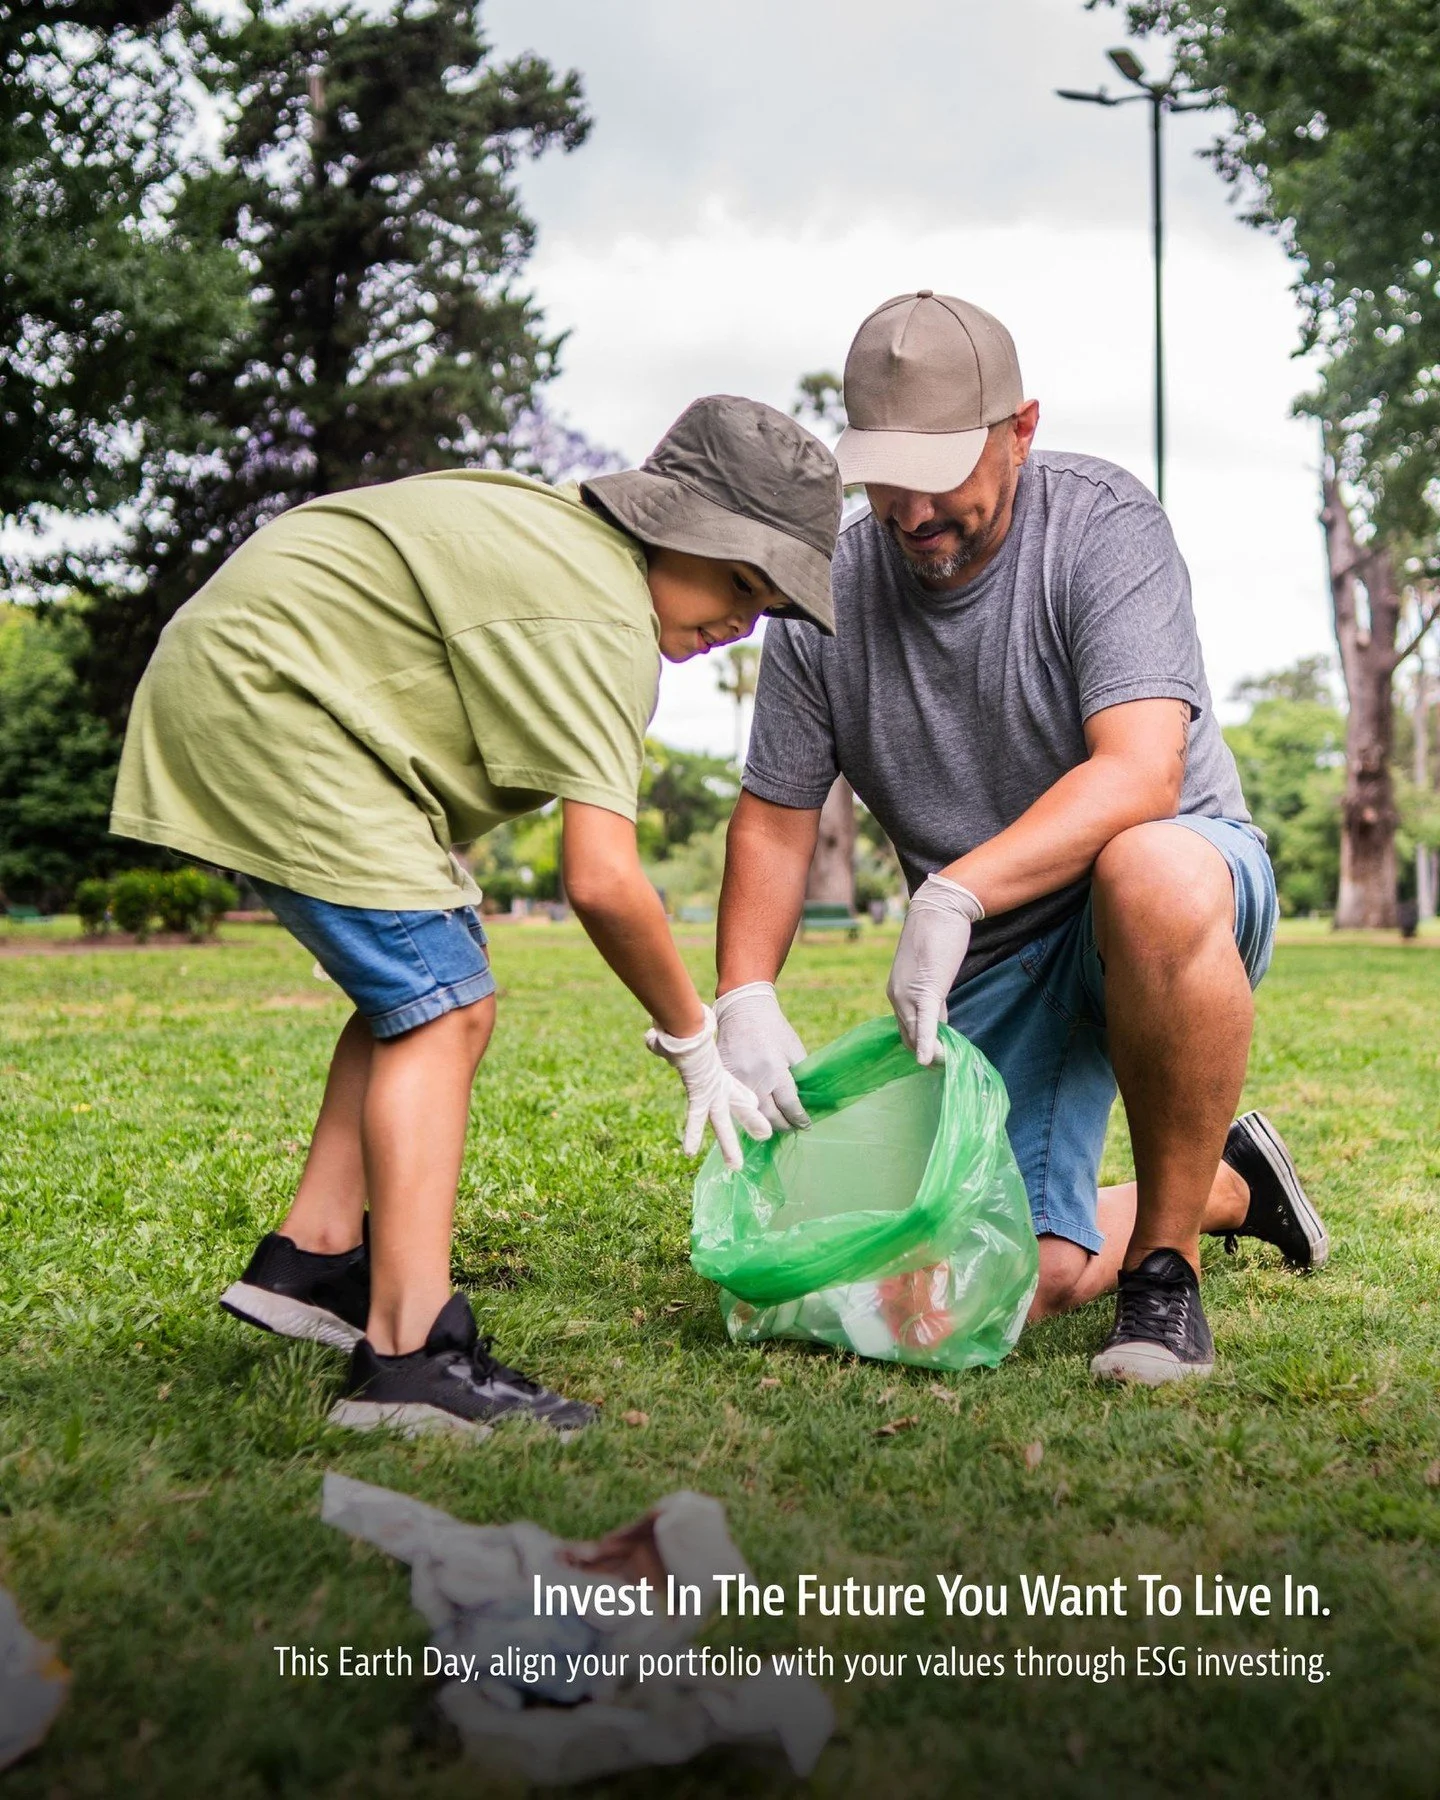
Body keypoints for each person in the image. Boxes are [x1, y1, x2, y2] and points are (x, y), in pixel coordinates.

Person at [111, 395, 842, 1434]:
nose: (741, 619)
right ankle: (409, 1358)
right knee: (446, 1009)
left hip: (247, 678)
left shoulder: (561, 545)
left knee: (421, 990)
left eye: (766, 605)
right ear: (666, 523)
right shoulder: (603, 619)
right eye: (736, 580)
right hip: (270, 699)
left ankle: (313, 1257)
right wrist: (697, 1040)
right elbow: (603, 880)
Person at [715, 292, 1328, 1385]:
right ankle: (1228, 1185)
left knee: (1144, 867)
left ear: (1022, 429)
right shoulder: (831, 598)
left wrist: (953, 894)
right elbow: (773, 818)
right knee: (963, 1297)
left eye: (942, 468)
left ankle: (1166, 1278)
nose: (911, 510)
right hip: (995, 963)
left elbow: (1142, 771)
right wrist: (744, 994)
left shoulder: (1103, 525)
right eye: (885, 475)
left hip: (1165, 898)